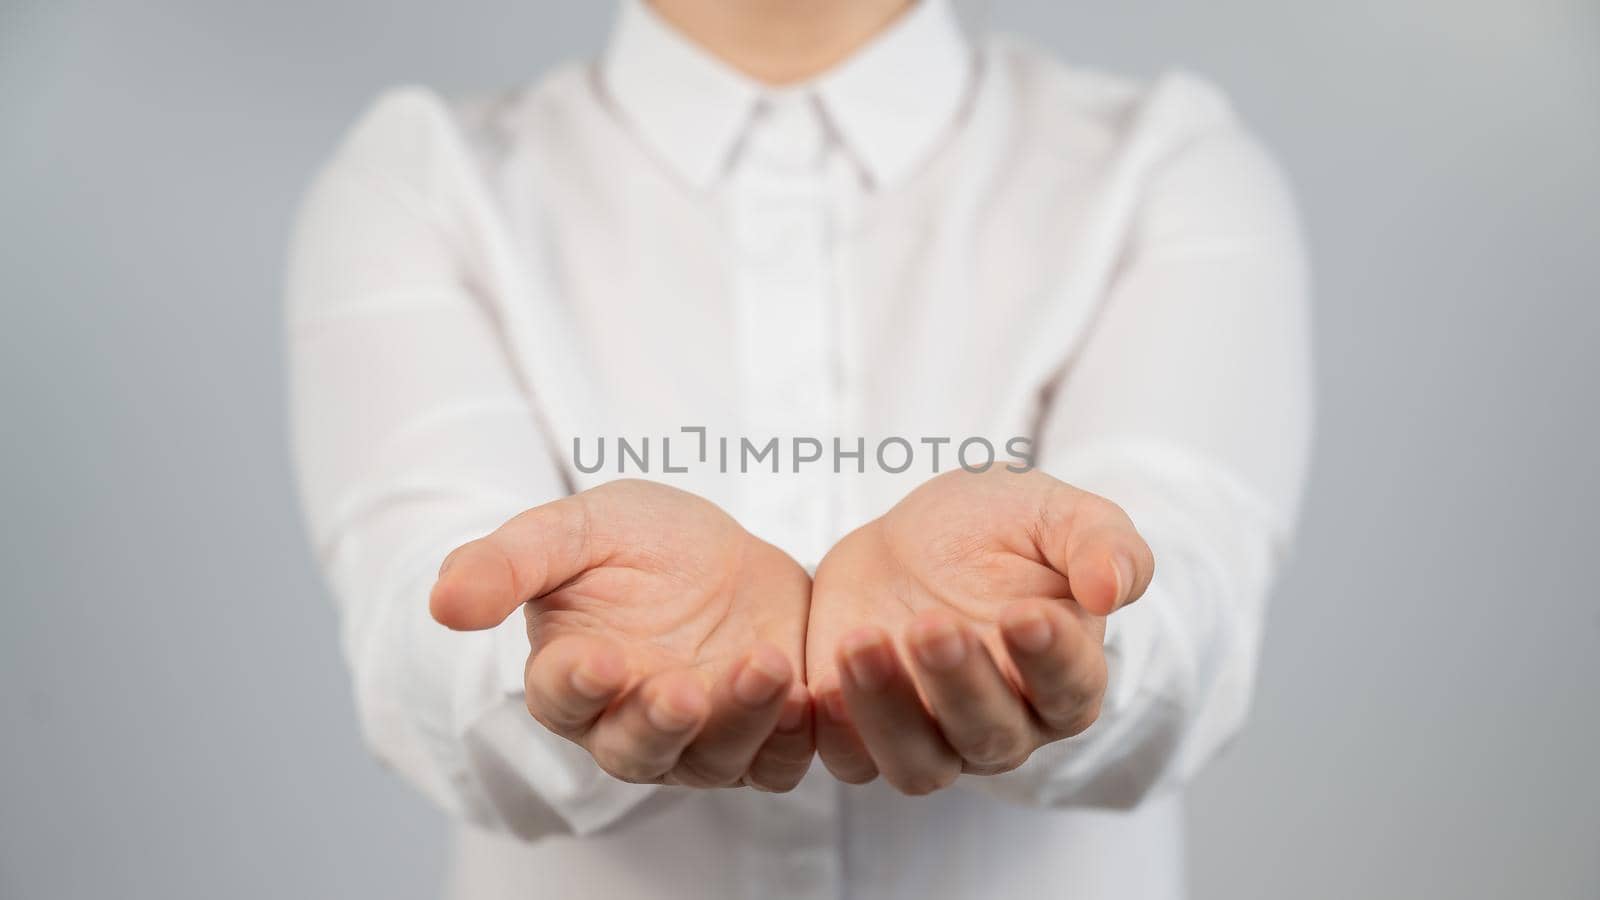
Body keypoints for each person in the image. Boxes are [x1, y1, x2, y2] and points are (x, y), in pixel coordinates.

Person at [285, 0, 1312, 896]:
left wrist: (1069, 636)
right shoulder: (426, 182)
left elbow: (1190, 591)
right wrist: (570, 667)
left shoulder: (1160, 166)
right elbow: (420, 631)